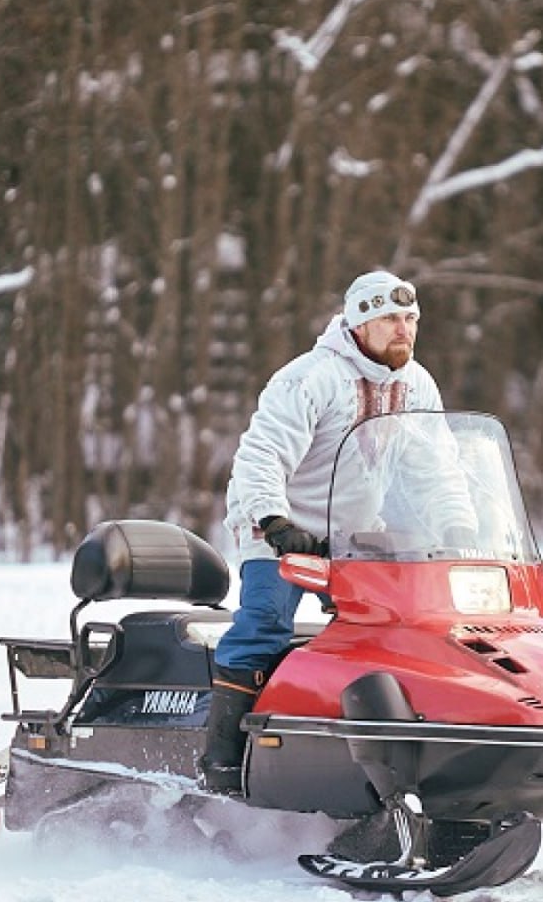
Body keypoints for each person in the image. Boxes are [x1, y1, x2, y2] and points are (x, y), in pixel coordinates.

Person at [199, 270, 476, 793]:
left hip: (356, 537)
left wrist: (458, 526)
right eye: (389, 319)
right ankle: (223, 757)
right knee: (264, 623)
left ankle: (396, 744)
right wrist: (273, 520)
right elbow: (262, 455)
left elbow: (437, 467)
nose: (404, 329)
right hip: (282, 531)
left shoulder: (416, 383)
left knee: (405, 627)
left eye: (410, 318)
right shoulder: (310, 377)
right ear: (359, 325)